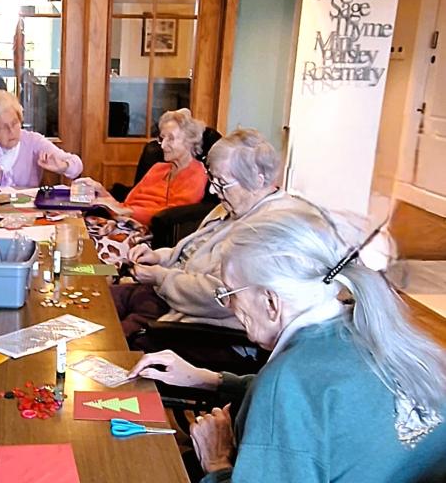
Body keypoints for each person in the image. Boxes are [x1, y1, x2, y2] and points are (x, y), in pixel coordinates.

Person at [129, 207, 446, 483]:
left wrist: (216, 462)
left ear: (270, 301)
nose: (228, 306)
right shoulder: (365, 328)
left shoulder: (288, 381)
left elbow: (297, 395)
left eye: (230, 293)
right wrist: (207, 378)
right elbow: (318, 401)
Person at [112, 128, 305, 343]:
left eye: (222, 182)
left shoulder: (271, 229)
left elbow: (222, 297)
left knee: (110, 340)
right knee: (95, 302)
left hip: (192, 320)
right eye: (213, 180)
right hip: (165, 295)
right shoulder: (231, 205)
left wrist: (161, 277)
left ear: (258, 180)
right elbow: (193, 252)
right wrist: (159, 257)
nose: (213, 191)